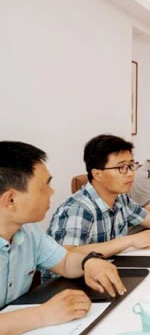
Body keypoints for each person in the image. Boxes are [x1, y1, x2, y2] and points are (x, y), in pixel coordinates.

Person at [0, 141, 126, 334]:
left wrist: (88, 262)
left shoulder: (29, 231)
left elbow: (65, 261)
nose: (52, 192)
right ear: (10, 200)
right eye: (45, 186)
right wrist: (43, 314)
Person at [46, 135, 150, 262]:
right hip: (71, 287)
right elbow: (67, 255)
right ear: (97, 174)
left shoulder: (120, 199)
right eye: (121, 167)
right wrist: (129, 241)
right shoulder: (77, 209)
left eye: (131, 165)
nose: (130, 173)